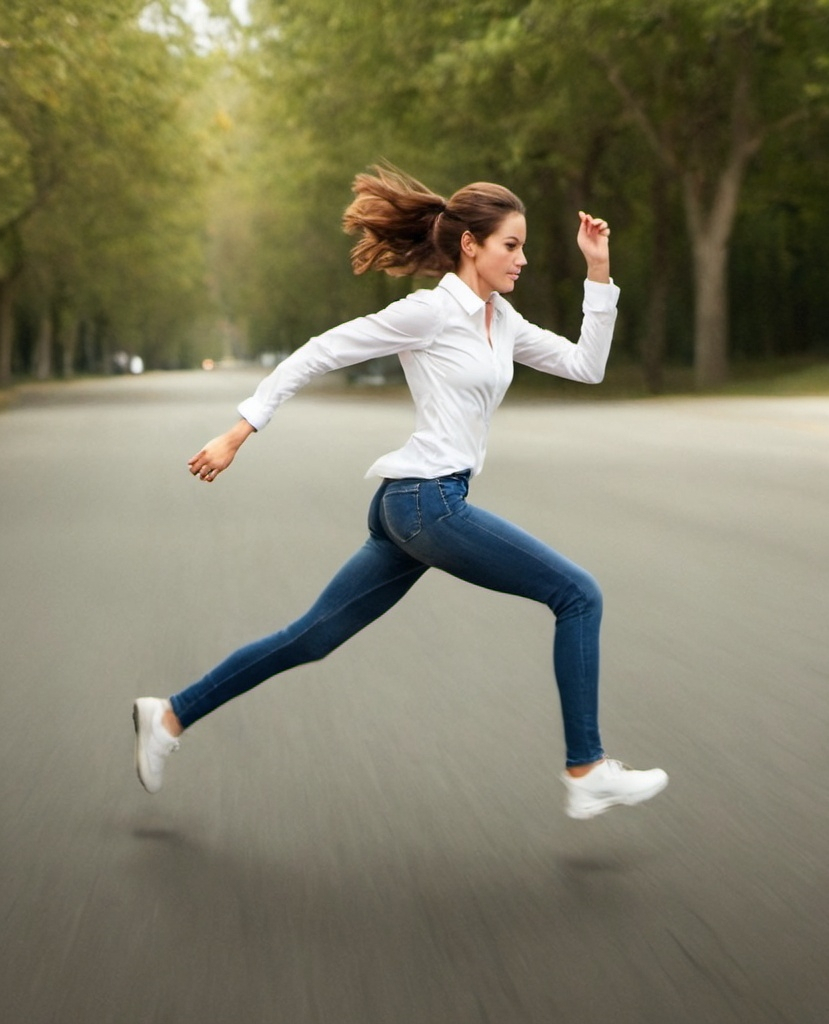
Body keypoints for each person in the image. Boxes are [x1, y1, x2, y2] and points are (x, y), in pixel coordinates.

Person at [133, 166, 668, 820]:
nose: (522, 259)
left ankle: (168, 717)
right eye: (511, 245)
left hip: (413, 509)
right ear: (471, 244)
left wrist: (599, 271)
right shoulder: (430, 312)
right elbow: (320, 352)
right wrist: (240, 431)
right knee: (577, 594)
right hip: (426, 505)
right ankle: (585, 769)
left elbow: (586, 366)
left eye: (525, 246)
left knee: (312, 637)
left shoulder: (502, 321)